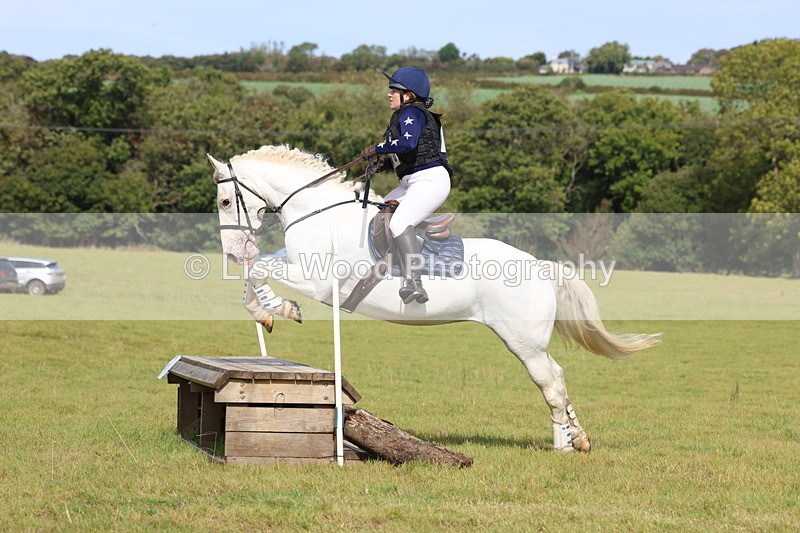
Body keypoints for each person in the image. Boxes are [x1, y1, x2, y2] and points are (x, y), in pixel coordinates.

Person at [361, 67, 452, 305]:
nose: (389, 94)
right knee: (378, 211)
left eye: (394, 91)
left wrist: (378, 148)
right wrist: (384, 164)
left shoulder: (412, 112)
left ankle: (415, 282)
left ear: (409, 95)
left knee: (400, 221)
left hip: (430, 180)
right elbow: (410, 153)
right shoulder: (409, 114)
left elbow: (408, 143)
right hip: (413, 180)